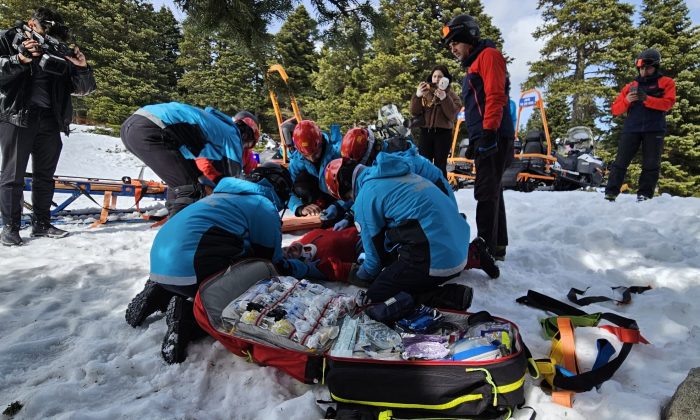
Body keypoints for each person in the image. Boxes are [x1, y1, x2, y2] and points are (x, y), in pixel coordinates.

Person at [125, 163, 316, 364]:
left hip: (161, 265)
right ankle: (188, 316)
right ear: (280, 188)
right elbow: (272, 263)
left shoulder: (221, 196)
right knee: (262, 279)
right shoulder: (262, 204)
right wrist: (309, 268)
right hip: (192, 270)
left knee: (229, 251)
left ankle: (161, 290)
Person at [324, 154, 497, 303]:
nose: (351, 199)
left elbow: (374, 262)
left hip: (438, 259)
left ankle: (451, 297)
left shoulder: (365, 196)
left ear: (346, 188)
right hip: (458, 242)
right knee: (397, 245)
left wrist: (361, 274)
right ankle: (473, 253)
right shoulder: (394, 173)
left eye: (347, 196)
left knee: (377, 296)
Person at [0, 7, 96, 246]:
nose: (52, 34)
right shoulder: (8, 38)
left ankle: (41, 224)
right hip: (17, 116)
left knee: (45, 176)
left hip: (51, 118)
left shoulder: (58, 48)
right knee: (13, 176)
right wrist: (19, 59)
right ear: (32, 24)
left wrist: (82, 68)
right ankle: (11, 228)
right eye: (47, 28)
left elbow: (84, 88)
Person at [442, 14, 514, 261]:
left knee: (485, 191)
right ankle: (497, 245)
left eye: (455, 42)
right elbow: (477, 106)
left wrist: (488, 133)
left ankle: (484, 250)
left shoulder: (488, 56)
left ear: (467, 37)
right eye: (450, 44)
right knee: (493, 190)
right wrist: (474, 138)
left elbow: (495, 95)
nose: (452, 48)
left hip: (494, 135)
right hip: (485, 134)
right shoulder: (475, 63)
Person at [120, 103, 260, 217]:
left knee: (182, 183)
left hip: (132, 125)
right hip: (152, 129)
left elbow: (197, 166)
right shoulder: (232, 136)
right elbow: (231, 183)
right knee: (190, 188)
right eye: (247, 145)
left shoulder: (216, 126)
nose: (244, 149)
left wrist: (206, 183)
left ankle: (173, 222)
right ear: (247, 135)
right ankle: (180, 234)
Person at [605, 48, 676, 202]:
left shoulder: (666, 83)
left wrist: (647, 99)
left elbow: (667, 104)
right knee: (621, 161)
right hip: (632, 129)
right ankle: (610, 193)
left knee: (651, 163)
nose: (643, 71)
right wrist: (627, 101)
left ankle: (644, 194)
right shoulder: (631, 86)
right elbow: (615, 110)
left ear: (655, 66)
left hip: (654, 129)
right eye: (641, 68)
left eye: (647, 67)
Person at [409, 65, 462, 177]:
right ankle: (424, 191)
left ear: (446, 79)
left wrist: (445, 98)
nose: (436, 79)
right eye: (434, 76)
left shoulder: (453, 96)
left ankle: (442, 192)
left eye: (440, 76)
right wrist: (417, 96)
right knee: (424, 164)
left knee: (440, 166)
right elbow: (414, 112)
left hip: (443, 134)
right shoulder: (425, 92)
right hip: (426, 133)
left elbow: (452, 115)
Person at [288, 119, 341, 217]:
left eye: (315, 153)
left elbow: (355, 188)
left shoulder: (337, 154)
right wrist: (299, 208)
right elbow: (286, 190)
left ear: (321, 143)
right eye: (306, 155)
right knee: (301, 179)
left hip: (338, 199)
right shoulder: (296, 160)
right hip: (314, 202)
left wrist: (339, 205)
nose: (312, 158)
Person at [282, 226, 361, 282]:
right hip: (364, 243)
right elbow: (360, 274)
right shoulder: (324, 265)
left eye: (284, 248)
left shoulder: (302, 241)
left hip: (358, 226)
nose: (289, 249)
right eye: (290, 254)